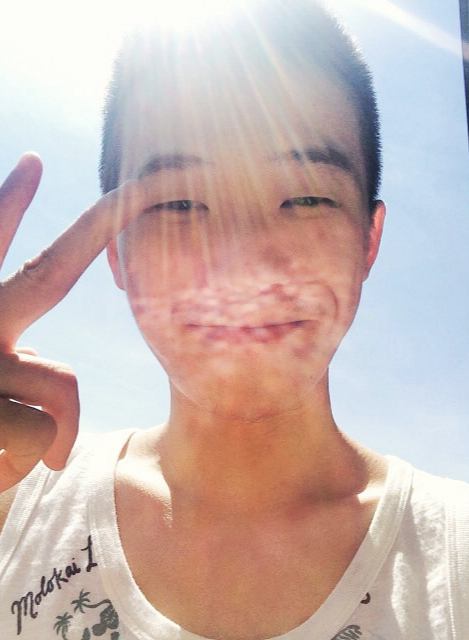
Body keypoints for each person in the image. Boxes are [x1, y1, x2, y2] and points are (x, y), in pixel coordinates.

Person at [0, 1, 468, 638]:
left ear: (369, 240)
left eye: (306, 198)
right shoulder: (13, 510)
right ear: (114, 250)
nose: (242, 263)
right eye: (178, 202)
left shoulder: (455, 557)